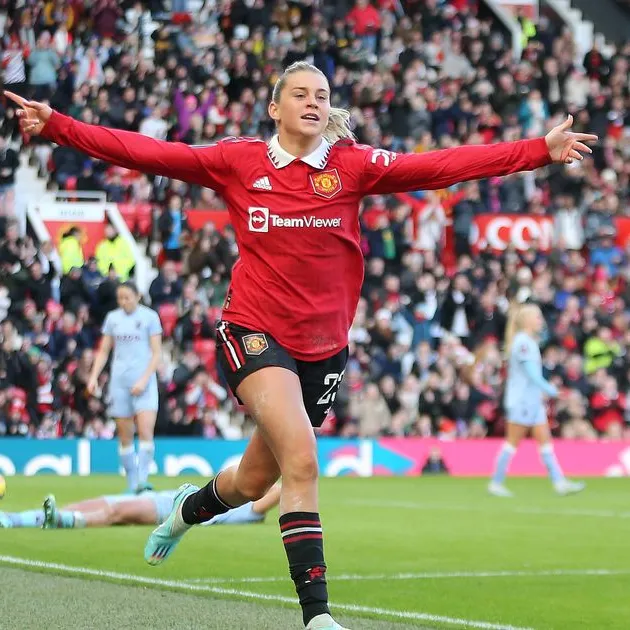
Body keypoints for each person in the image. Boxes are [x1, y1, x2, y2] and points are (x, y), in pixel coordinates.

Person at [5, 64, 597, 630]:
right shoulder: (238, 162)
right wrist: (57, 125)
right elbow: (146, 152)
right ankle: (317, 613)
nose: (315, 102)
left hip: (323, 352)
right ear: (274, 107)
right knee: (303, 462)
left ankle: (185, 510)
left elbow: (442, 165)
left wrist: (535, 151)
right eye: (302, 94)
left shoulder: (353, 166)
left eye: (322, 95)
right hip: (252, 333)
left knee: (251, 482)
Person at [488, 304, 586, 497]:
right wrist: (550, 389)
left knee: (545, 442)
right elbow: (532, 374)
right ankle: (496, 482)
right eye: (538, 317)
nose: (541, 321)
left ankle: (559, 482)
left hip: (532, 401)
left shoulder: (529, 341)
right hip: (521, 401)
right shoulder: (522, 343)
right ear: (528, 320)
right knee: (512, 443)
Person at [87, 281, 162, 494]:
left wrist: (143, 380)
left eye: (127, 297)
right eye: (120, 298)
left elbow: (157, 354)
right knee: (125, 435)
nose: (123, 302)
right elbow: (103, 351)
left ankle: (143, 481)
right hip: (119, 382)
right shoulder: (113, 319)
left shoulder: (149, 318)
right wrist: (93, 377)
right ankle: (131, 485)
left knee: (146, 431)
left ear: (137, 296)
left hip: (144, 382)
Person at [0, 484, 281, 529]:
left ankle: (64, 522)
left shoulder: (248, 511)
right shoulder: (237, 494)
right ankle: (13, 519)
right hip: (165, 497)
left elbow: (278, 490)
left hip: (170, 509)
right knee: (92, 503)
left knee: (115, 513)